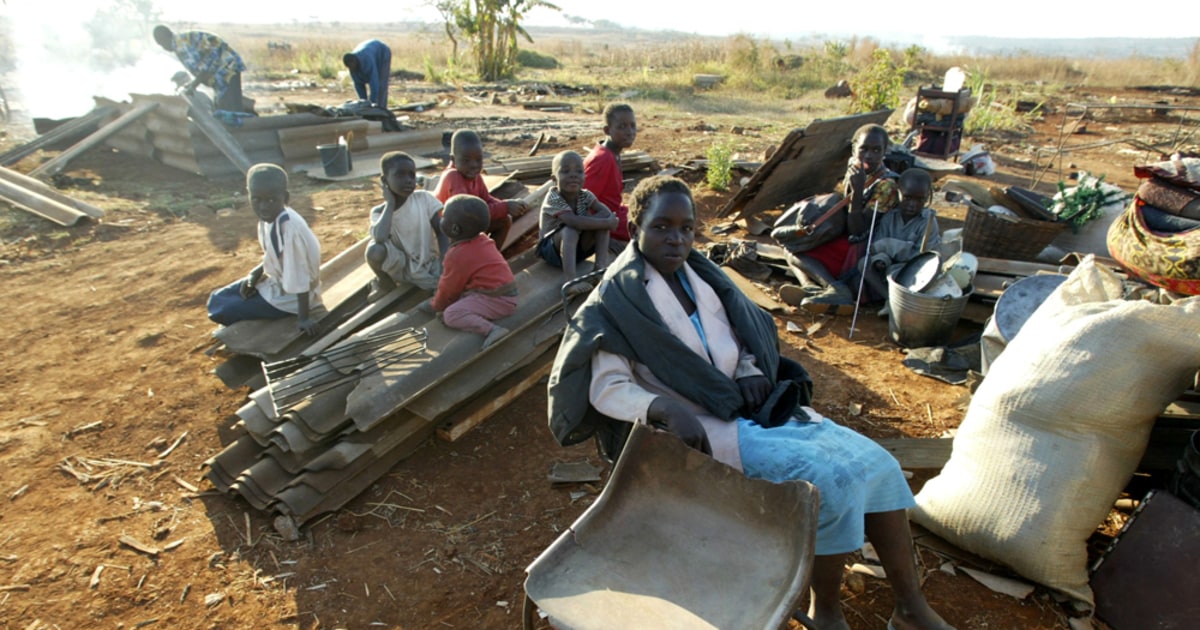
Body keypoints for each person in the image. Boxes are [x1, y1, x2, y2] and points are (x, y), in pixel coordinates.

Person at [547, 175, 954, 630]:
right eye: (662, 226)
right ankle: (827, 613)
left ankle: (909, 607)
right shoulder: (618, 298)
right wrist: (662, 409)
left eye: (686, 227)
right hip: (700, 431)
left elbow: (740, 338)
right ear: (637, 223)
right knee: (829, 482)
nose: (676, 238)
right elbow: (607, 386)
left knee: (878, 463)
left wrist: (750, 369)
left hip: (749, 406)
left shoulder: (700, 275)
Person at [781, 124, 900, 309]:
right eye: (864, 149)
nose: (869, 155)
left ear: (885, 152)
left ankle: (835, 289)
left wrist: (858, 191)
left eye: (877, 150)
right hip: (847, 232)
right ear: (854, 149)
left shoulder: (886, 185)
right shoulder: (855, 167)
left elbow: (859, 229)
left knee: (796, 251)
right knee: (792, 242)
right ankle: (812, 288)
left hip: (864, 243)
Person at [207, 164, 322, 335]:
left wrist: (303, 318)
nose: (263, 206)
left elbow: (299, 275)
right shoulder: (268, 218)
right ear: (249, 196)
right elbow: (275, 256)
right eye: (257, 200)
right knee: (217, 299)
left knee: (222, 310)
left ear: (285, 198)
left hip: (292, 297)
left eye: (271, 200)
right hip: (275, 282)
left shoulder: (289, 228)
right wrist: (255, 273)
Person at [420, 195, 518, 349]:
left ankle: (492, 330)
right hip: (500, 292)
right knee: (455, 297)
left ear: (454, 229)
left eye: (444, 216)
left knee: (451, 315)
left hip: (498, 300)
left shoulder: (457, 255)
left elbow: (449, 288)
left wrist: (437, 306)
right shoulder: (482, 239)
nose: (441, 219)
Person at [366, 151, 448, 300]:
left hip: (428, 264)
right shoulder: (379, 212)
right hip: (400, 267)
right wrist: (390, 203)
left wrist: (444, 262)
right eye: (400, 175)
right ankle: (385, 283)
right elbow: (380, 238)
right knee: (374, 250)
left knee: (449, 286)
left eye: (412, 175)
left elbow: (442, 232)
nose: (409, 180)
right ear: (385, 180)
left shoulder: (424, 199)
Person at [433, 130, 530, 251]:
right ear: (453, 159)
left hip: (466, 224)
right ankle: (479, 259)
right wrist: (505, 207)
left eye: (478, 160)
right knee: (476, 225)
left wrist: (510, 205)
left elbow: (486, 199)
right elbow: (466, 213)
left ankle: (491, 257)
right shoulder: (453, 176)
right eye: (466, 160)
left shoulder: (473, 175)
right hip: (450, 230)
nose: (474, 165)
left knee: (505, 220)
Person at [861, 169, 940, 314]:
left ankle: (897, 305)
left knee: (895, 271)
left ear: (927, 197)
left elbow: (925, 257)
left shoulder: (928, 221)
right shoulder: (889, 217)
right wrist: (881, 259)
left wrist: (891, 247)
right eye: (908, 198)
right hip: (888, 266)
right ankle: (891, 300)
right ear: (899, 193)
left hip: (913, 271)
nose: (912, 205)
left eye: (919, 200)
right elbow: (878, 246)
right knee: (864, 264)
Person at [537, 150, 618, 293]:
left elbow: (605, 213)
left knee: (600, 227)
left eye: (579, 171)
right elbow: (574, 222)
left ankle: (599, 270)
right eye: (565, 171)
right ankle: (570, 282)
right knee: (570, 230)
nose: (573, 175)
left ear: (585, 176)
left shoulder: (585, 195)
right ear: (554, 179)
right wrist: (607, 223)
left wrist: (604, 223)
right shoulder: (553, 198)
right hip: (551, 250)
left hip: (576, 250)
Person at [153, 25, 247, 113]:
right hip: (224, 67)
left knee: (229, 109)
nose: (164, 48)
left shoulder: (181, 46)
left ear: (164, 39)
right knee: (225, 106)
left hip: (227, 68)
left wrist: (193, 86)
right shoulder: (181, 41)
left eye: (161, 45)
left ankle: (238, 128)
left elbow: (204, 70)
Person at [584, 103, 637, 249]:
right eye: (622, 127)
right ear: (607, 130)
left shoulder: (613, 154)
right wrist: (600, 235)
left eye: (633, 126)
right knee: (651, 227)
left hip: (614, 212)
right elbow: (582, 202)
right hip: (604, 219)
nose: (629, 132)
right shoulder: (603, 159)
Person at [343, 39, 392, 110]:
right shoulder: (351, 67)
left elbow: (374, 84)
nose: (351, 69)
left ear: (354, 61)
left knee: (381, 85)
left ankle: (382, 110)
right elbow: (358, 85)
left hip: (382, 53)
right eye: (349, 67)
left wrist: (371, 104)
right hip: (371, 52)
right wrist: (363, 104)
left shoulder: (367, 60)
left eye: (351, 66)